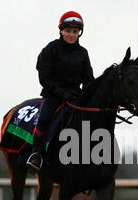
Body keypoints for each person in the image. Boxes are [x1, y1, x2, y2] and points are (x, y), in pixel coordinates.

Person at [26, 11, 94, 172]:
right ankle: (36, 154)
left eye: (75, 31)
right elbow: (45, 78)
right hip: (53, 96)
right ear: (61, 31)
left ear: (79, 33)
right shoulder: (51, 49)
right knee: (44, 119)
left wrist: (90, 94)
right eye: (68, 31)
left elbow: (88, 78)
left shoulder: (83, 53)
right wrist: (62, 93)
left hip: (75, 97)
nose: (71, 35)